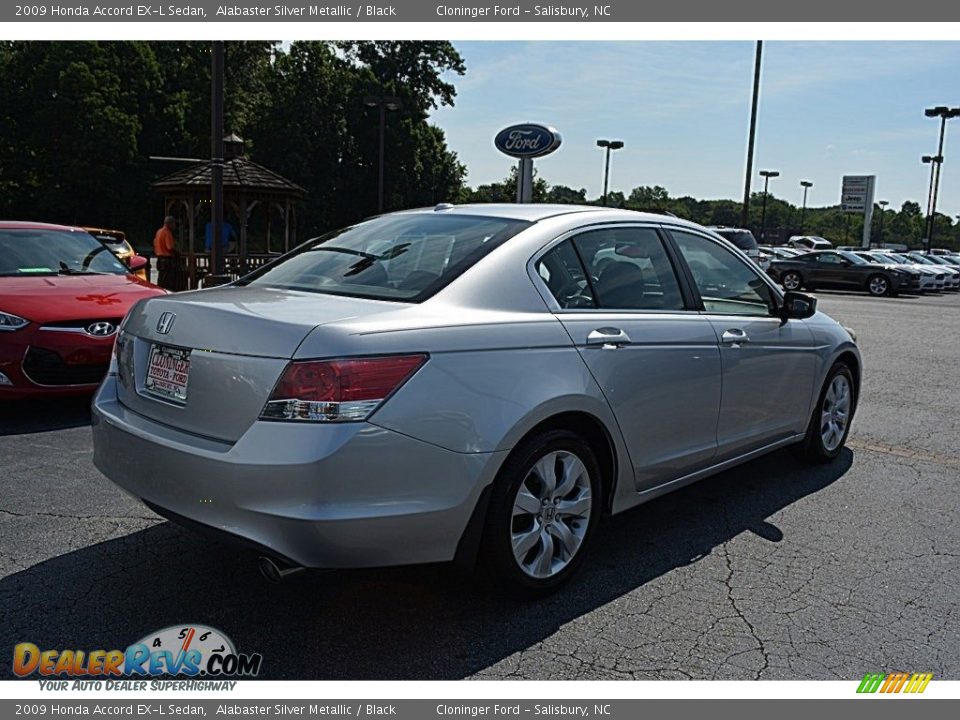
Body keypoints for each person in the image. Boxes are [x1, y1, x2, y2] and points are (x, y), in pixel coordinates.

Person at [153, 215, 178, 290]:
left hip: (159, 259)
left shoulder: (159, 231)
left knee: (161, 279)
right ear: (170, 223)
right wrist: (176, 253)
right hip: (167, 260)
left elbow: (154, 244)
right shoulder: (167, 232)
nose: (174, 226)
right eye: (174, 224)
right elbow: (170, 247)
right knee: (168, 281)